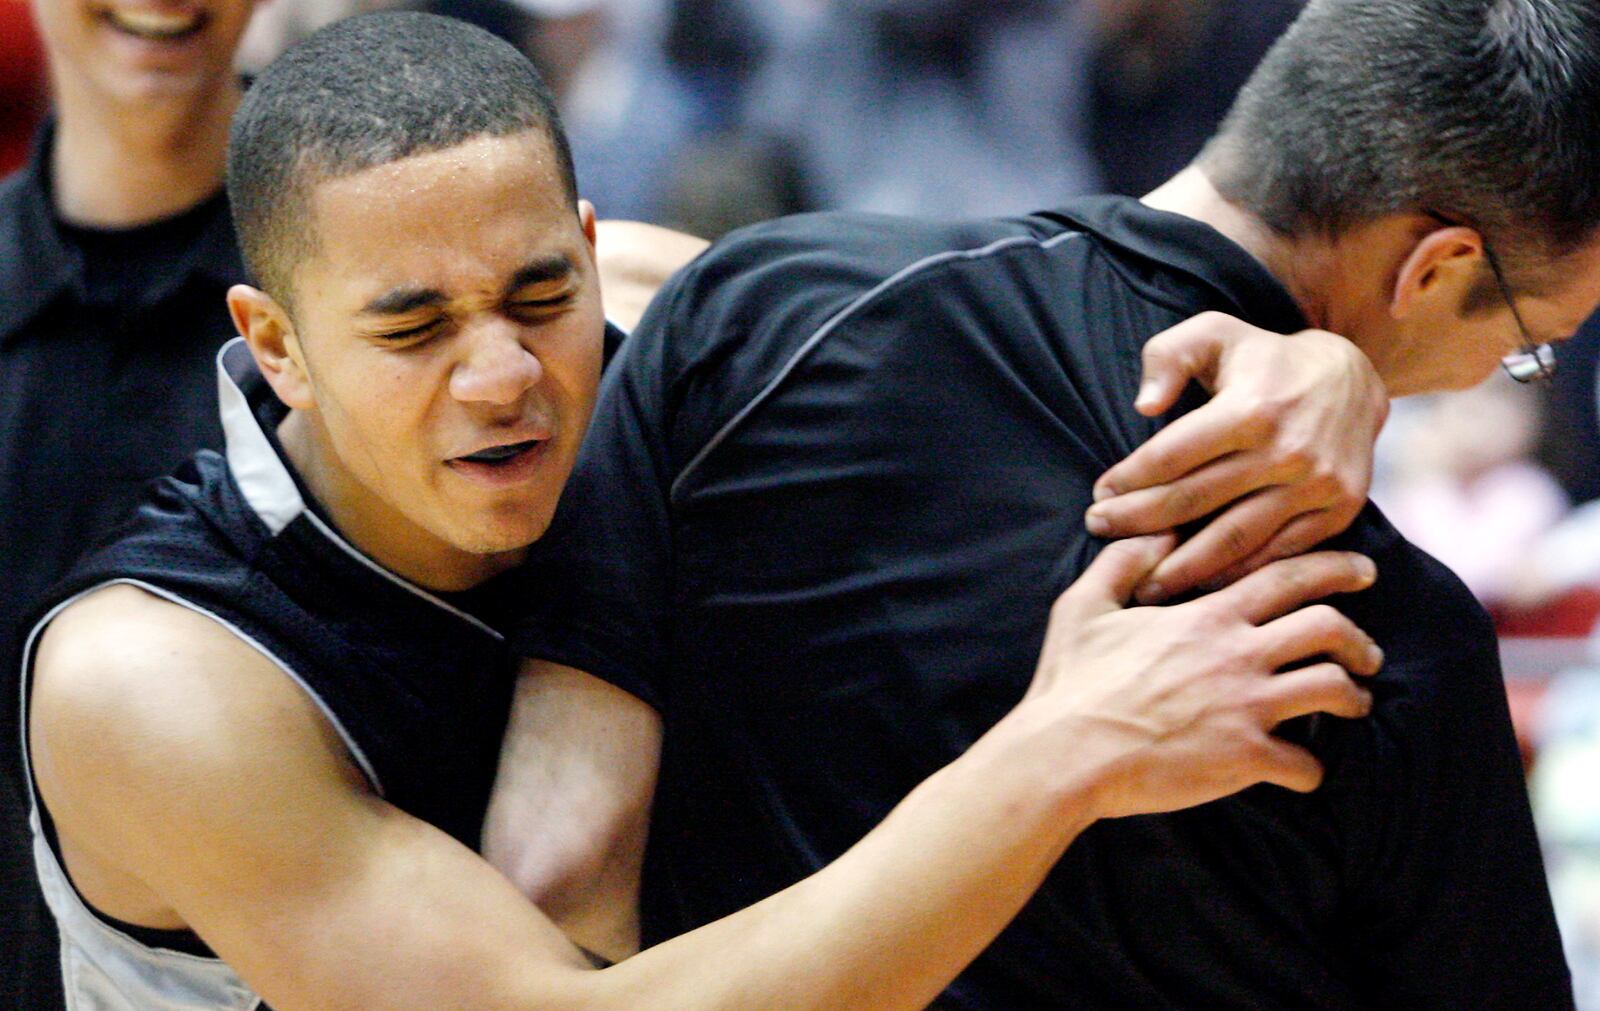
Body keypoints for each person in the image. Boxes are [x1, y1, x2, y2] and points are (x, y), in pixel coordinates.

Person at [21, 14, 1386, 1010]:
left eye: (540, 296)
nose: (504, 376)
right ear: (275, 345)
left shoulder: (672, 322)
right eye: (414, 326)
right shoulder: (151, 679)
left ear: (593, 245)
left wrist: (1302, 361)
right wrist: (1063, 749)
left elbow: (1070, 306)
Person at [501, 0, 1600, 1006]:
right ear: (1434, 267)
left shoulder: (756, 309)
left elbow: (560, 877)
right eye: (1527, 346)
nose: (1489, 373)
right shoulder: (1375, 632)